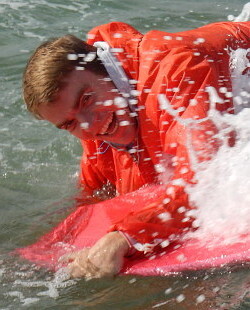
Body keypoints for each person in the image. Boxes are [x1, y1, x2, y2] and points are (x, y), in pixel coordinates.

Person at [22, 21, 250, 278]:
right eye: (70, 123)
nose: (89, 126)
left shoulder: (177, 69)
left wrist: (124, 239)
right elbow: (91, 200)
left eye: (87, 99)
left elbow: (201, 187)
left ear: (105, 71)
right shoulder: (100, 120)